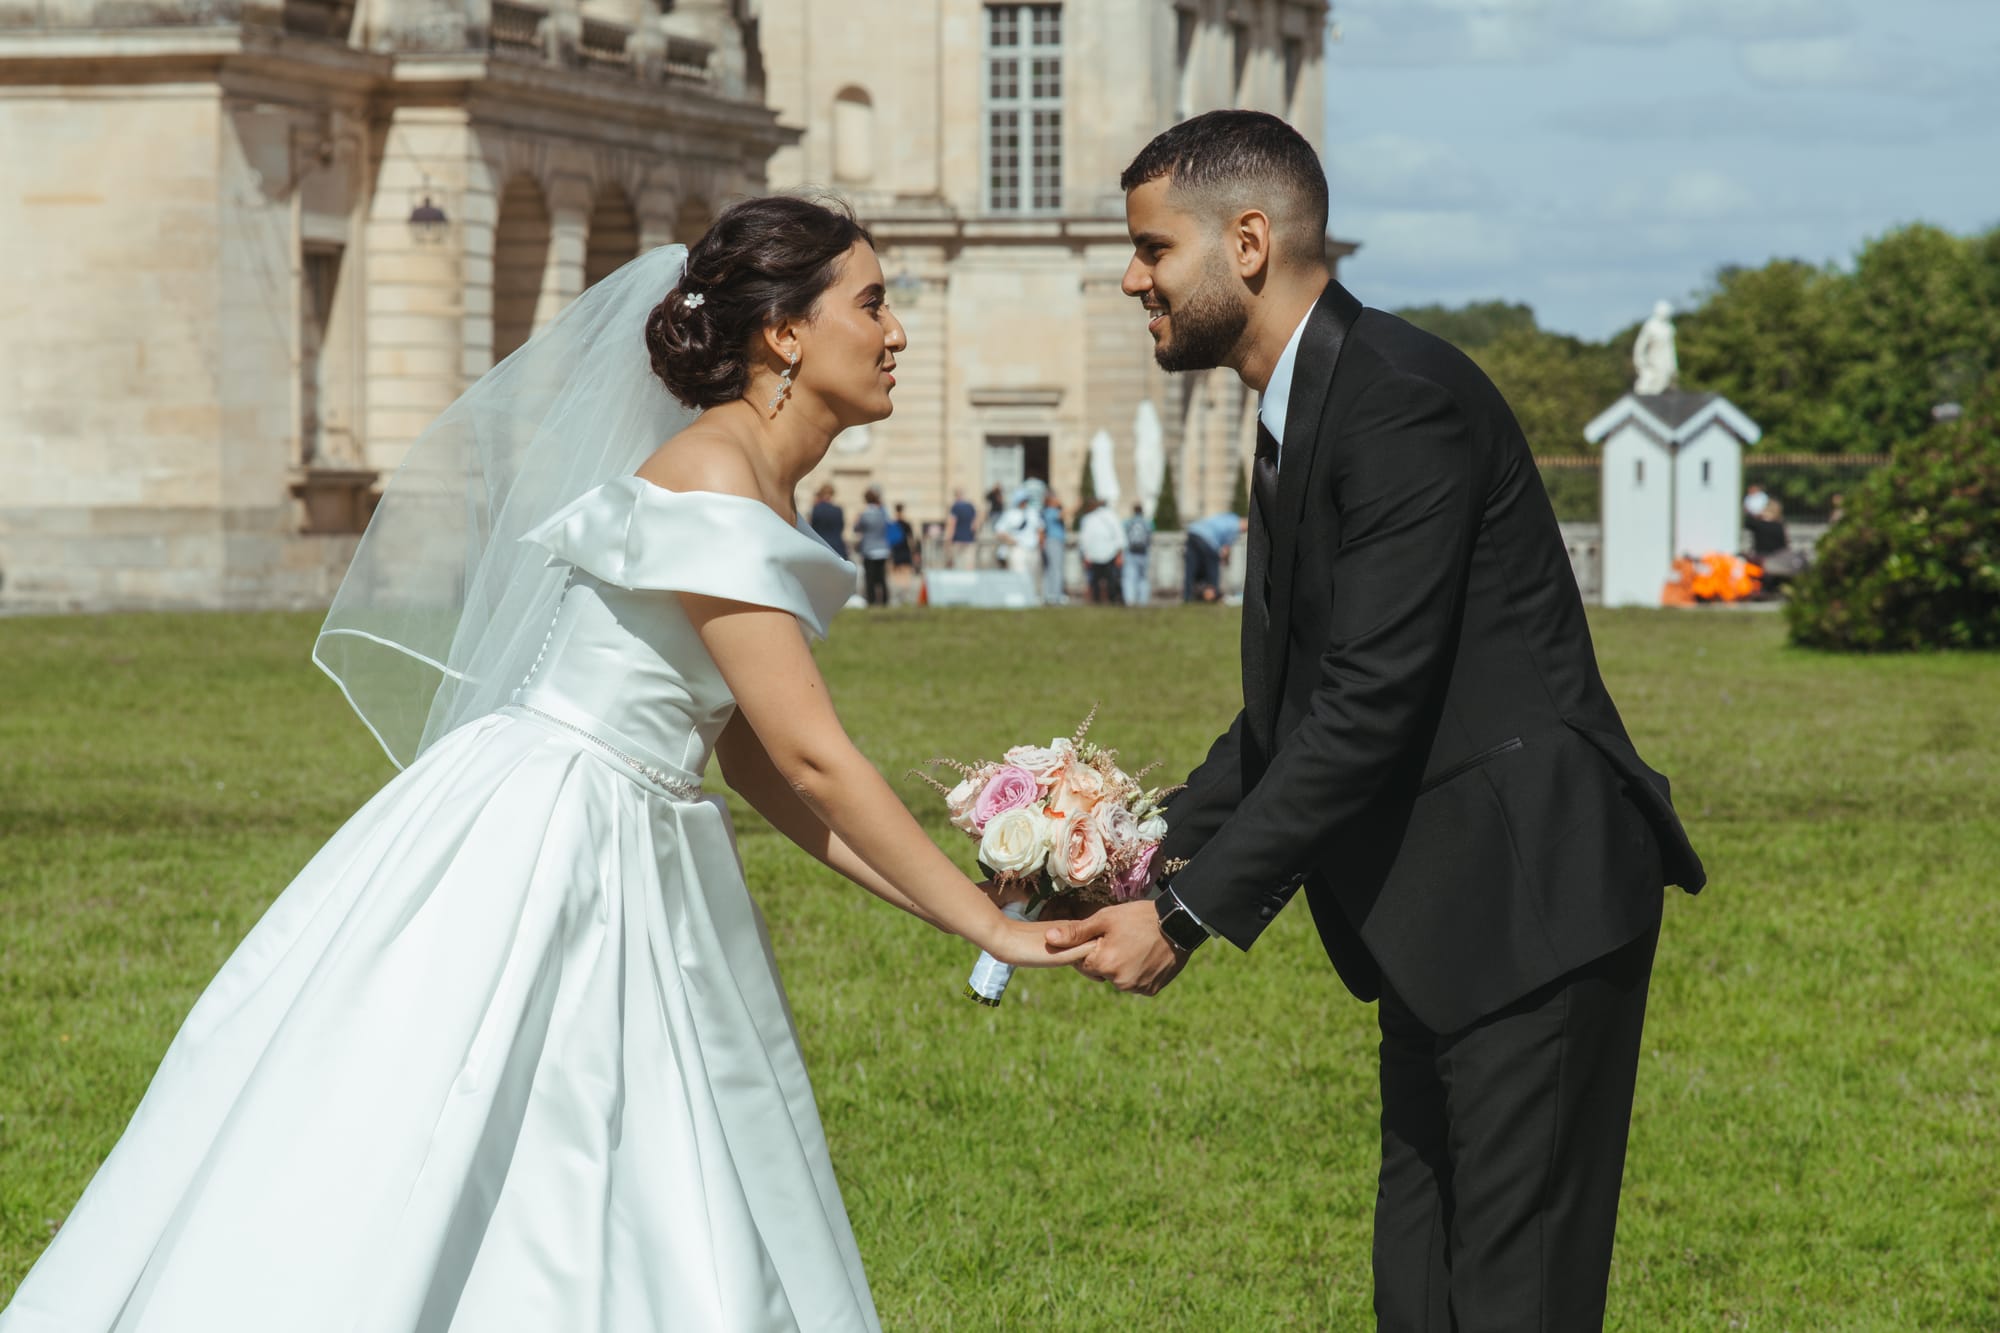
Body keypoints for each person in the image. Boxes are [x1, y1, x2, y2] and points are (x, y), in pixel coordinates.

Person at [1, 198, 1088, 1331]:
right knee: (503, 1131)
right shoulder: (715, 473)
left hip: (633, 812)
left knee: (626, 1145)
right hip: (562, 827)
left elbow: (756, 762)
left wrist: (964, 905)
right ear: (785, 334)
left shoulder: (755, 476)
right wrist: (991, 928)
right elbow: (813, 759)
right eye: (872, 302)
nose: (895, 331)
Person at [1045, 111, 1704, 1330]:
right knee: (1418, 1294)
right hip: (1440, 926)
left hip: (1529, 906)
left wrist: (1182, 917)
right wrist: (1123, 858)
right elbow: (1283, 716)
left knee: (1509, 1301)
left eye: (1148, 248)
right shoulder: (1306, 405)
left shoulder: (1398, 401)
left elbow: (1366, 705)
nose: (1130, 275)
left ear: (1246, 242)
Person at [1076, 496, 1126, 604]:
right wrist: (1119, 554)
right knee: (1109, 579)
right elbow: (1119, 535)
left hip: (1099, 553)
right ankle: (1110, 599)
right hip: (1107, 552)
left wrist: (1086, 554)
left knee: (1098, 580)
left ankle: (1099, 599)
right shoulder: (1110, 516)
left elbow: (1084, 539)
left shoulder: (1088, 518)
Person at [1182, 510, 1240, 602]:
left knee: (1191, 568)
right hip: (1206, 538)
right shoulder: (1235, 527)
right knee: (1213, 564)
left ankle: (1187, 596)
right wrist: (1226, 560)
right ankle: (1213, 595)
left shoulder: (1228, 517)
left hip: (1192, 532)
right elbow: (1225, 550)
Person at [853, 486, 892, 607]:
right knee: (882, 578)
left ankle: (871, 600)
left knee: (869, 578)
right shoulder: (883, 513)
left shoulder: (865, 515)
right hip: (883, 549)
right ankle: (884, 600)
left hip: (869, 549)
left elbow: (857, 529)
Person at [1039, 488, 1068, 604]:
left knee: (1050, 569)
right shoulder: (1050, 511)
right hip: (1053, 542)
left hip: (1051, 542)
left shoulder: (1047, 511)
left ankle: (1049, 594)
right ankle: (1055, 595)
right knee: (1056, 569)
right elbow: (1064, 514)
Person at [1123, 502, 1154, 605]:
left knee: (1130, 578)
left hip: (1131, 553)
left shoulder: (1128, 522)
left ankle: (1130, 600)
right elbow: (1150, 537)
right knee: (1143, 578)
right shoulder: (1147, 523)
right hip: (1143, 553)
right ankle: (1143, 600)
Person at [810, 481, 847, 558]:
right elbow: (841, 527)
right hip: (837, 546)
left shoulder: (816, 509)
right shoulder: (838, 510)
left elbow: (813, 528)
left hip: (821, 545)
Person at [947, 488, 979, 568]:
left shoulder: (955, 507)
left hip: (957, 540)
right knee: (969, 565)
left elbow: (952, 524)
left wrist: (948, 540)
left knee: (958, 565)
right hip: (969, 539)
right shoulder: (971, 506)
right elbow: (975, 525)